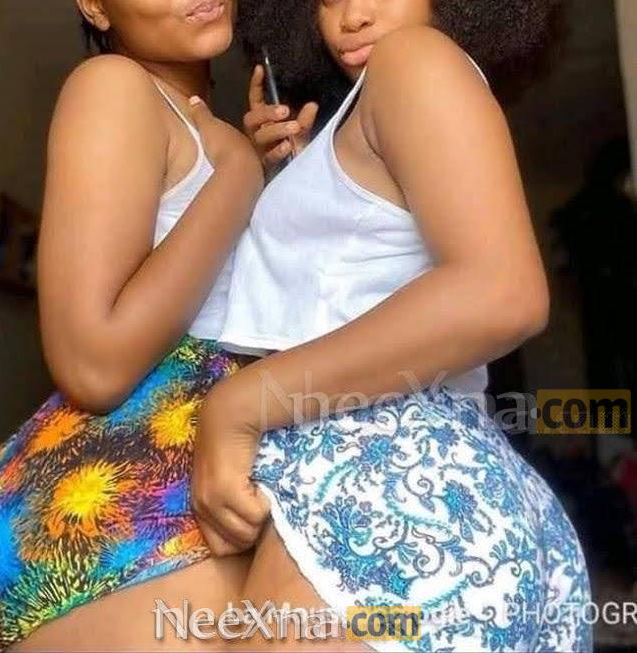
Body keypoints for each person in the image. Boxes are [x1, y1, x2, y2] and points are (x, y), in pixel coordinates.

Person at [189, 0, 593, 651]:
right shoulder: (374, 103)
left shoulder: (414, 57)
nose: (351, 15)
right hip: (426, 496)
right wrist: (281, 175)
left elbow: (502, 293)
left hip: (390, 486)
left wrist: (239, 405)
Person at [0, 1, 268, 651]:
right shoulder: (114, 86)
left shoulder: (208, 131)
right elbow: (93, 362)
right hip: (107, 524)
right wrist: (241, 173)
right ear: (94, 5)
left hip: (152, 512)